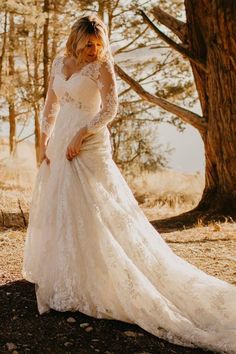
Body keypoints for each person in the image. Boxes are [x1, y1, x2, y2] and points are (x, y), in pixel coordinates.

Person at [22, 14, 236, 354]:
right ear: (75, 41)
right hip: (60, 140)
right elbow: (51, 102)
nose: (93, 50)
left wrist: (82, 131)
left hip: (87, 141)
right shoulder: (61, 61)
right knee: (62, 204)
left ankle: (104, 277)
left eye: (97, 44)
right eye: (87, 44)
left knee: (96, 208)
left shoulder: (102, 67)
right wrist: (44, 140)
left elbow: (110, 108)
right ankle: (69, 273)